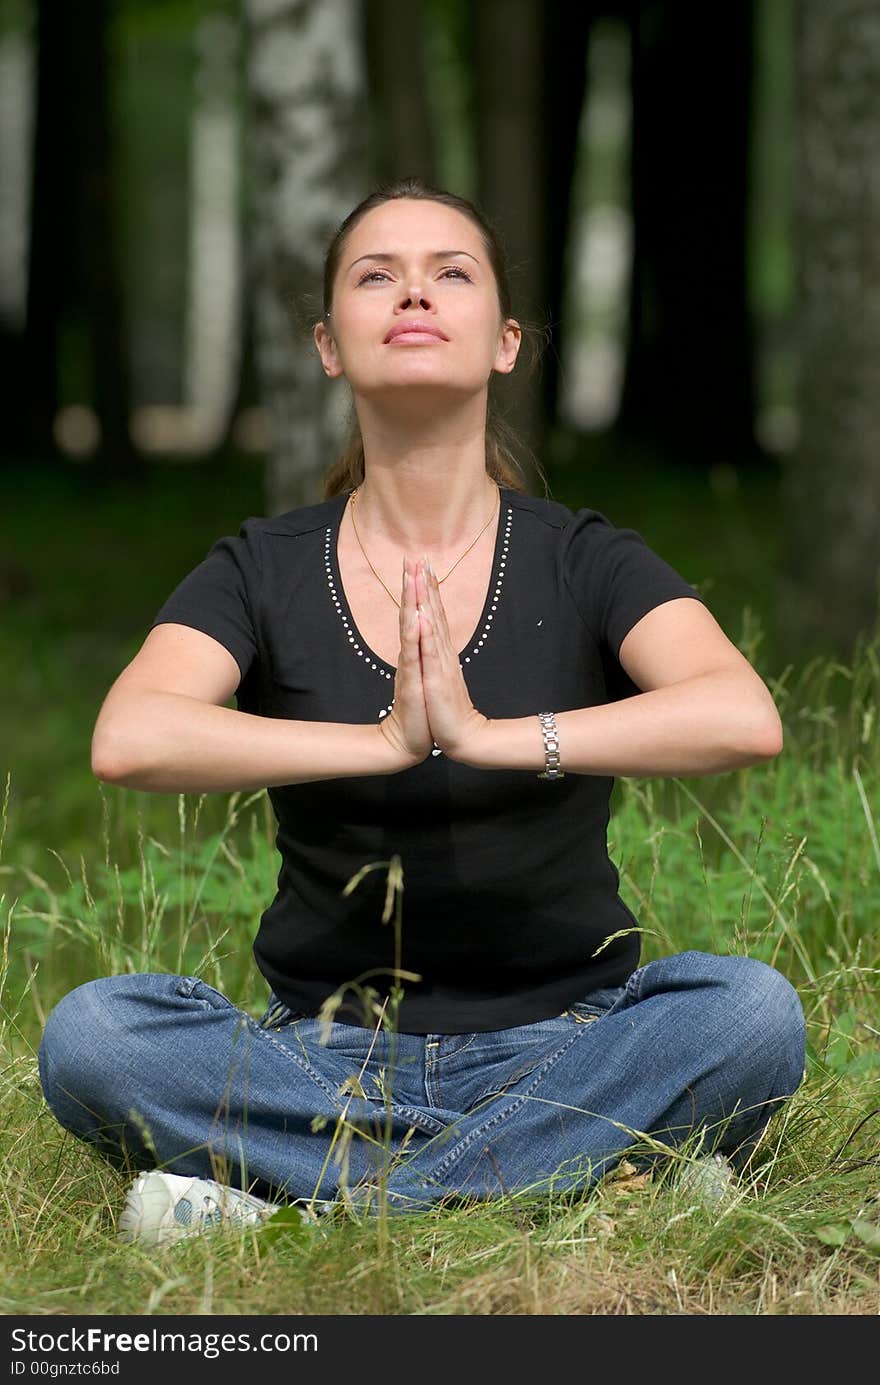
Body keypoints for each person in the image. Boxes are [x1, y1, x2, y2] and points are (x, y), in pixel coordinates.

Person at [38, 177, 805, 1245]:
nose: (414, 292)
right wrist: (380, 741)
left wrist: (493, 737)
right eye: (375, 275)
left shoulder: (583, 556)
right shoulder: (261, 566)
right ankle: (570, 1173)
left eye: (451, 273)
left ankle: (295, 1204)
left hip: (567, 1038)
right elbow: (130, 736)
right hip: (319, 1056)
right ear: (328, 344)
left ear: (504, 341)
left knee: (749, 1012)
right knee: (96, 1035)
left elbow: (739, 714)